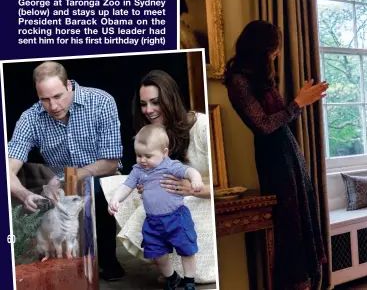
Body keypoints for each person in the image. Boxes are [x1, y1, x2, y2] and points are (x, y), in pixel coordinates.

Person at [224, 20, 329, 289]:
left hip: (288, 151)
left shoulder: (262, 78)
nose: (277, 54)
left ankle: (306, 283)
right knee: (288, 224)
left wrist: (300, 101)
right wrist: (298, 103)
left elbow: (279, 119)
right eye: (274, 49)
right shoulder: (238, 81)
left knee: (302, 215)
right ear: (261, 49)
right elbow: (263, 126)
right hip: (273, 157)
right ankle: (295, 284)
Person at [7, 61, 125, 280]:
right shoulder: (30, 118)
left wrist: (68, 177)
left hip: (101, 177)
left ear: (69, 86)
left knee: (95, 194)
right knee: (38, 205)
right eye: (44, 99)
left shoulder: (101, 101)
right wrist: (24, 194)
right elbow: (7, 168)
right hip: (59, 186)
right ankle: (56, 265)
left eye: (58, 96)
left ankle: (107, 260)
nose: (53, 106)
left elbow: (110, 161)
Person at [109, 70, 217, 285]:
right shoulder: (152, 134)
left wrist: (191, 187)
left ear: (170, 99)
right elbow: (140, 177)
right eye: (143, 104)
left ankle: (188, 275)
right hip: (166, 206)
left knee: (184, 240)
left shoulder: (202, 125)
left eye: (155, 102)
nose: (148, 110)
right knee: (116, 186)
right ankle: (170, 272)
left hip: (203, 199)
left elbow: (221, 182)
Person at [108, 124, 204, 290]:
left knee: (187, 249)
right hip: (153, 222)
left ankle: (189, 281)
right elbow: (126, 186)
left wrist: (196, 180)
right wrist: (116, 199)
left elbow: (189, 171)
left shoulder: (170, 166)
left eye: (148, 156)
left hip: (176, 217)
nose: (142, 160)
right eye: (138, 155)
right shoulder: (138, 170)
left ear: (164, 153)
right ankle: (172, 277)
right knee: (157, 254)